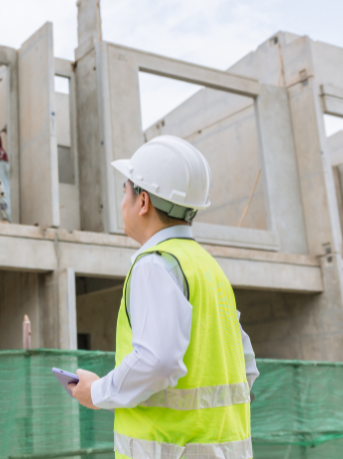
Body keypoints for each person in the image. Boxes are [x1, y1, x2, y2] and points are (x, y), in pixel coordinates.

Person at [69, 136, 259, 459]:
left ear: (143, 202)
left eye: (126, 191)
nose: (123, 203)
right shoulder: (208, 268)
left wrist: (95, 392)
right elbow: (247, 369)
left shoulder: (154, 264)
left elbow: (157, 362)